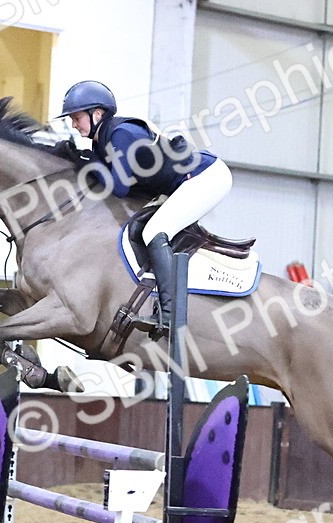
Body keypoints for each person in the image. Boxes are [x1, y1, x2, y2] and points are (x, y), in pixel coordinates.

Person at [58, 80, 232, 338]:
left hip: (205, 176)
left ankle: (170, 314)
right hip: (180, 182)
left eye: (77, 118)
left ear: (97, 114)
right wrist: (88, 158)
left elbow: (119, 187)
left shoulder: (121, 134)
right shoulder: (102, 141)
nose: (74, 124)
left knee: (155, 232)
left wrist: (86, 161)